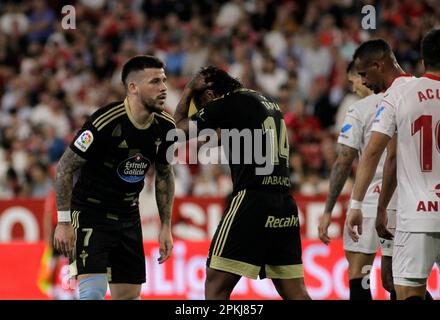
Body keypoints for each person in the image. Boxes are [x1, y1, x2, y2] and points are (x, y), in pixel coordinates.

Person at [174, 66, 310, 300]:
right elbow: (222, 137)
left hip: (252, 200)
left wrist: (187, 91)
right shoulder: (265, 101)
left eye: (202, 104)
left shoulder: (227, 103)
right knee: (294, 291)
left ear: (209, 95)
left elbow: (177, 129)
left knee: (215, 283)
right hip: (285, 203)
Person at [53, 55, 175, 300]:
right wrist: (64, 222)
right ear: (133, 87)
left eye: (164, 80)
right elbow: (65, 167)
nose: (163, 88)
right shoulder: (104, 123)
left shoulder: (165, 126)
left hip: (129, 216)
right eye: (155, 82)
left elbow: (164, 175)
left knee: (129, 296)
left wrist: (166, 227)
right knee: (93, 293)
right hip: (90, 213)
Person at [346, 29, 440, 300]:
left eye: (363, 75)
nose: (362, 82)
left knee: (406, 290)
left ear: (423, 60)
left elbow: (378, 153)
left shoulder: (403, 94)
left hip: (415, 214)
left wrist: (361, 205)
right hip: (409, 211)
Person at [318, 61, 395, 300]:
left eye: (353, 82)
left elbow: (343, 161)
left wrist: (328, 210)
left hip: (370, 200)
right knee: (396, 281)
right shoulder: (404, 98)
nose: (353, 89)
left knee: (359, 276)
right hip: (403, 199)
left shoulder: (359, 109)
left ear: (363, 77)